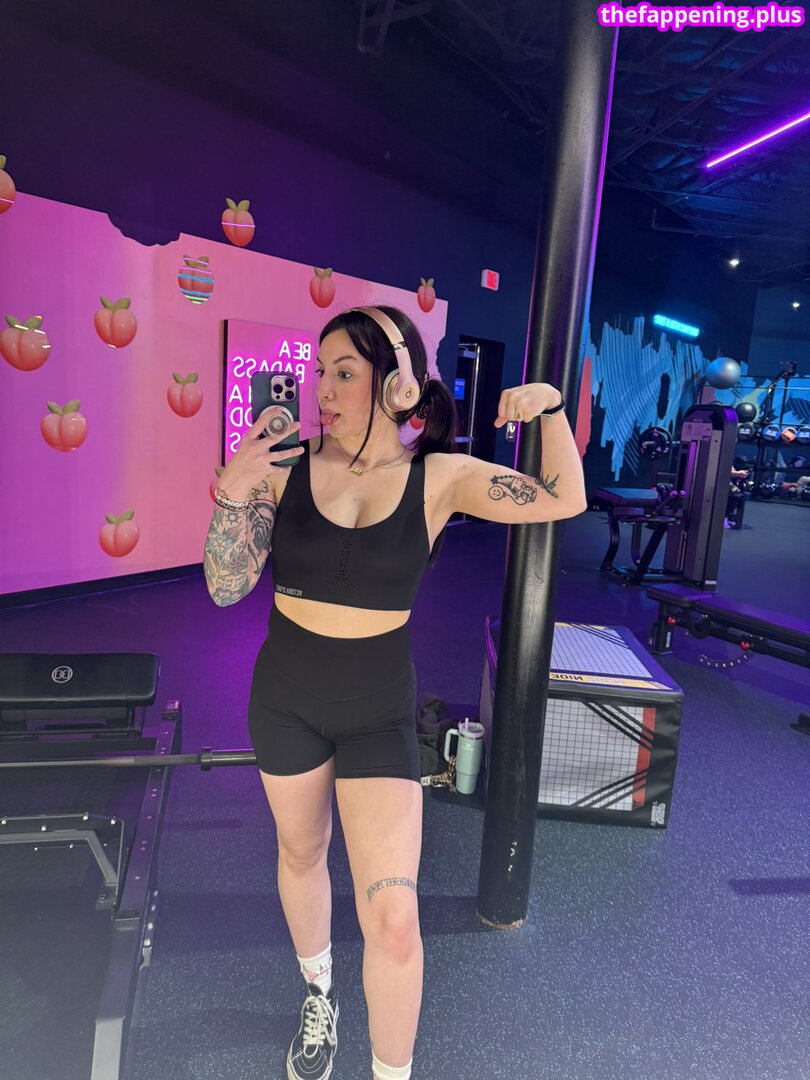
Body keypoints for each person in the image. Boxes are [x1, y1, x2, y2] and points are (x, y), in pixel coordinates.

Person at [203, 306, 587, 1080]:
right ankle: (319, 993)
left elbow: (561, 497)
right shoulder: (284, 468)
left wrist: (549, 410)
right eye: (320, 372)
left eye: (344, 372)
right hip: (284, 699)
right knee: (301, 854)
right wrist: (231, 495)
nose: (324, 390)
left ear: (398, 382)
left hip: (376, 711)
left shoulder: (440, 477)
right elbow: (224, 587)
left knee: (394, 919)